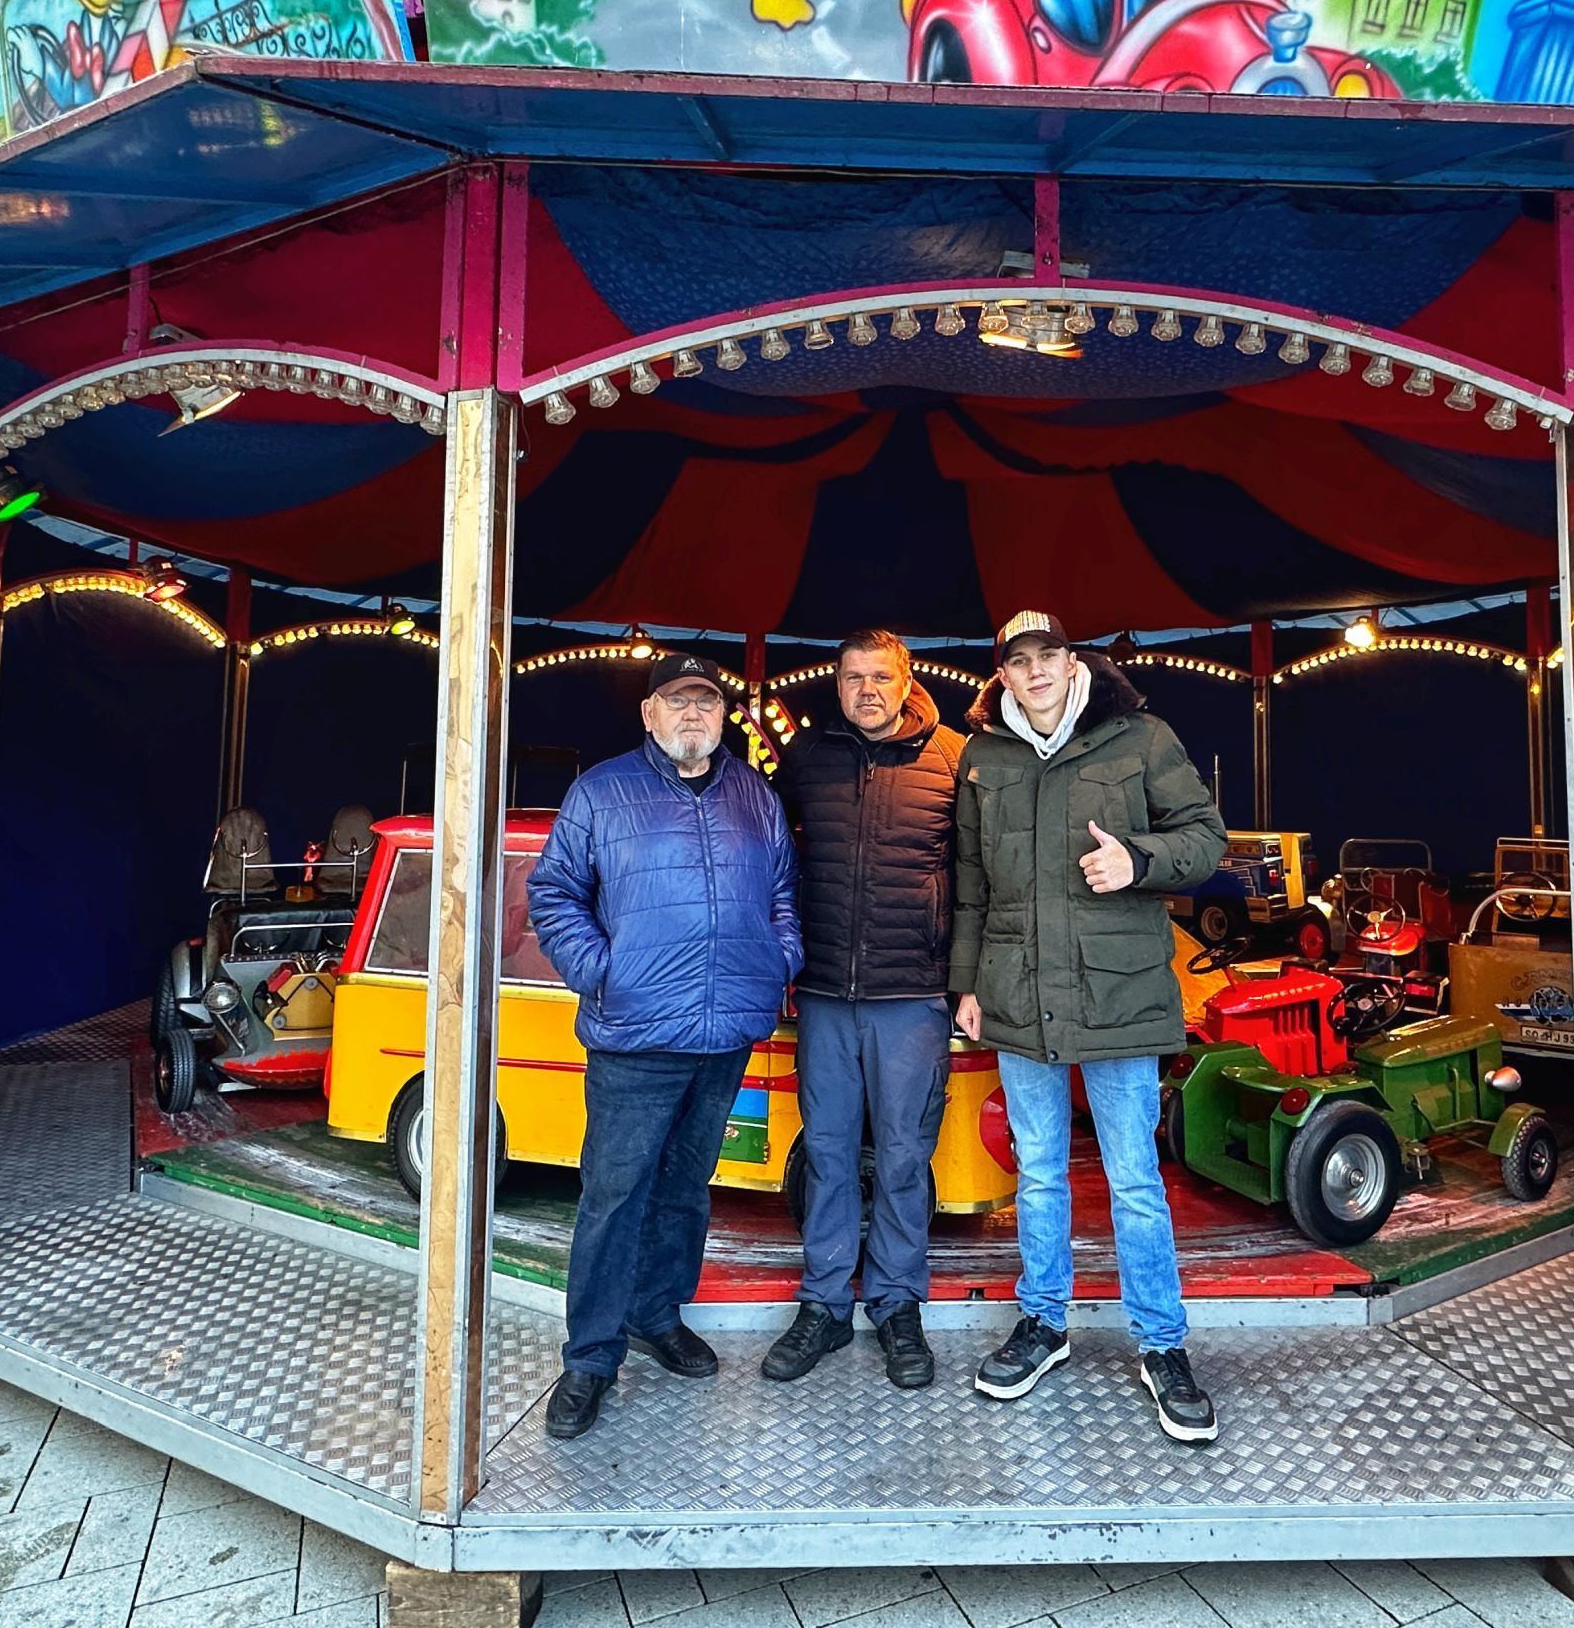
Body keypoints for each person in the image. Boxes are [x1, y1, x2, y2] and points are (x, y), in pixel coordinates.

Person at [950, 612, 1228, 1442]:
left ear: (1073, 663)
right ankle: (1044, 1324)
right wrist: (964, 982)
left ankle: (1161, 1342)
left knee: (1133, 1177)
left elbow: (1205, 840)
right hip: (1016, 988)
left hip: (1118, 995)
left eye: (1047, 656)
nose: (1034, 672)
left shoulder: (1139, 738)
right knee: (1038, 1171)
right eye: (1017, 661)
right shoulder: (983, 756)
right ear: (1001, 673)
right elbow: (968, 880)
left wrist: (1137, 861)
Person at [523, 652, 802, 1441]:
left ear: (723, 717)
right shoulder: (602, 791)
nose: (692, 715)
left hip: (723, 1034)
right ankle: (590, 1358)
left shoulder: (755, 796)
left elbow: (783, 894)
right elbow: (553, 891)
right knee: (614, 1197)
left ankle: (656, 1314)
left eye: (705, 704)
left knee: (686, 1185)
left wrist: (775, 960)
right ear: (648, 715)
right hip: (635, 1035)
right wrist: (600, 973)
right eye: (676, 703)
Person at [765, 627, 966, 1390]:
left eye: (880, 677)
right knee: (827, 1152)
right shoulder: (808, 758)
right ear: (838, 684)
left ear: (906, 680)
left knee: (906, 1158)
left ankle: (893, 1302)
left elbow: (975, 875)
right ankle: (822, 1303)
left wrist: (964, 979)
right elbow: (768, 854)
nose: (866, 691)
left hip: (911, 995)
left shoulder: (951, 757)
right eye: (853, 678)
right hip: (822, 994)